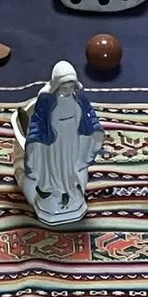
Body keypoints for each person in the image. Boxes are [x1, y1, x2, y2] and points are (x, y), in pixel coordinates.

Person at [20, 61, 103, 225]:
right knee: (55, 168)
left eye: (71, 86)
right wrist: (35, 143)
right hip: (53, 144)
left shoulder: (78, 97)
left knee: (69, 166)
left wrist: (94, 132)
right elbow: (38, 123)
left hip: (72, 140)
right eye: (64, 86)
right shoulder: (46, 100)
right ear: (57, 84)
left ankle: (70, 191)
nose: (68, 90)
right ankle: (54, 192)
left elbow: (88, 117)